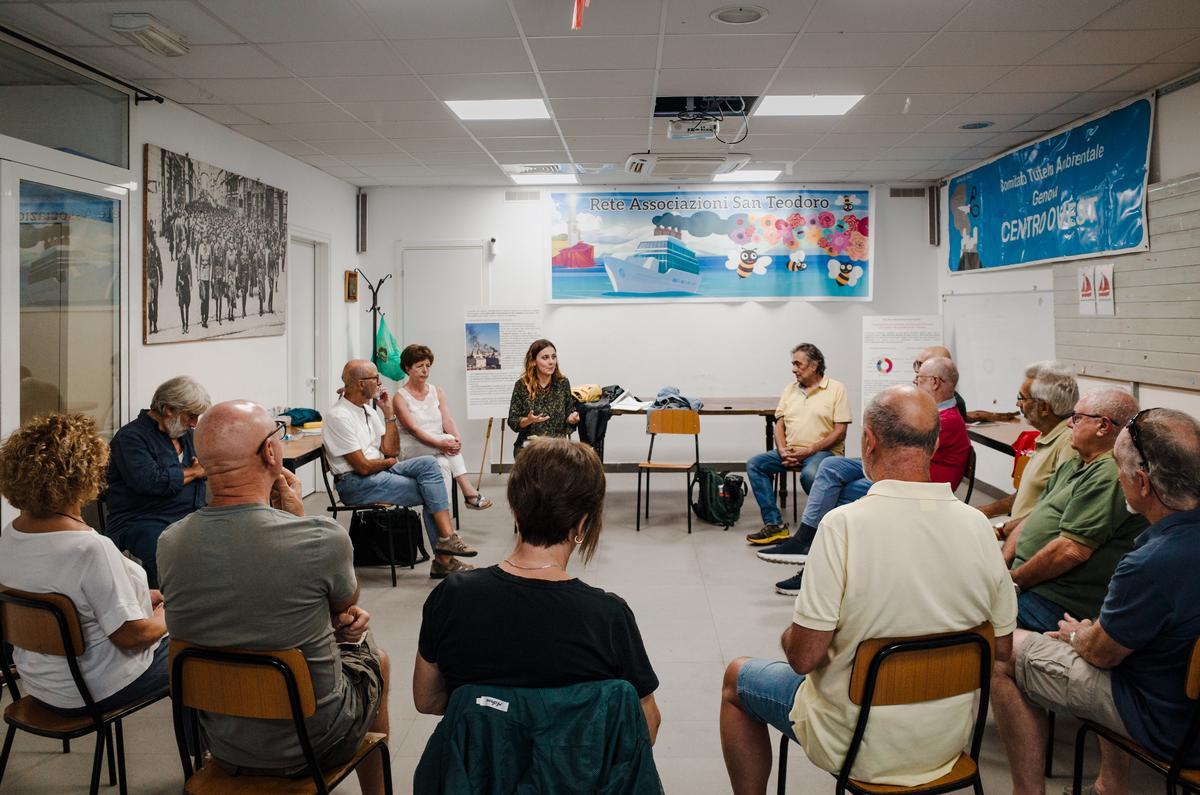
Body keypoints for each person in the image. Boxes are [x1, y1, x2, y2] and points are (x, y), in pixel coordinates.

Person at [720, 386, 1016, 793]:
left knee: (736, 678)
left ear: (868, 441)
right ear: (934, 446)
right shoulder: (979, 527)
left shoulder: (843, 526)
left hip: (858, 745)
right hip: (947, 745)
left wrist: (790, 635)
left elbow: (803, 659)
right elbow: (1003, 648)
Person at [157, 401, 391, 794]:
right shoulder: (320, 537)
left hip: (224, 741)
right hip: (314, 741)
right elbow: (345, 605)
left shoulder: (170, 542)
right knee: (375, 657)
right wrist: (297, 519)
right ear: (270, 451)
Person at [991, 408, 1200, 795]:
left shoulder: (1149, 563)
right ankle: (1109, 785)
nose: (1117, 477)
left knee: (1002, 650)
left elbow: (1102, 655)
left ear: (1142, 482)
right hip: (1179, 699)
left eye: (1120, 469)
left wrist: (1079, 636)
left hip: (1165, 724)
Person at [413, 437, 661, 741]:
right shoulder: (608, 616)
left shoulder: (452, 596)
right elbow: (647, 728)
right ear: (582, 525)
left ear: (516, 512)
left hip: (478, 765)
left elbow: (427, 700)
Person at [0, 413, 168, 717]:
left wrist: (142, 597)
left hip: (40, 684)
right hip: (93, 690)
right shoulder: (89, 548)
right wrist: (169, 615)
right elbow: (132, 637)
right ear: (84, 474)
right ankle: (209, 745)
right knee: (194, 649)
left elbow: (72, 599)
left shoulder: (10, 536)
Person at [760, 357, 973, 594]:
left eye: (919, 378)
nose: (914, 382)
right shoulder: (933, 414)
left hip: (917, 484)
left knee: (836, 493)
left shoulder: (943, 420)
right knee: (830, 466)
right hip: (899, 468)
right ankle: (805, 539)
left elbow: (897, 448)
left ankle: (818, 570)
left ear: (935, 382)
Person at [1006, 388, 1146, 632]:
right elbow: (1034, 516)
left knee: (967, 618)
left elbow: (1071, 551)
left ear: (1103, 426)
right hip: (1028, 581)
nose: (1069, 424)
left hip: (1055, 600)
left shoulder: (1110, 473)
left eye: (1077, 418)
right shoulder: (1075, 463)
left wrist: (1013, 582)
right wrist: (1003, 565)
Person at [325, 359, 477, 579]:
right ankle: (445, 555)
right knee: (430, 490)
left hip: (378, 471)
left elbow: (391, 450)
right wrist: (388, 463)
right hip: (356, 483)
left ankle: (446, 543)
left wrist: (388, 414)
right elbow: (363, 467)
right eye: (376, 378)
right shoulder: (339, 416)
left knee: (430, 464)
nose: (380, 382)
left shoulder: (367, 410)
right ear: (360, 383)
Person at [105, 375, 210, 587]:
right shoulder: (130, 438)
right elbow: (151, 482)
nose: (194, 423)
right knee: (171, 554)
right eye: (190, 416)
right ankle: (171, 603)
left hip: (190, 516)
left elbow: (208, 468)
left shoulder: (188, 436)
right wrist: (195, 472)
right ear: (169, 409)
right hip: (143, 520)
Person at [745, 343, 851, 546]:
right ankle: (775, 525)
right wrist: (782, 450)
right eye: (793, 364)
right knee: (755, 464)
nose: (793, 369)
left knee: (809, 475)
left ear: (814, 365)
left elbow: (840, 432)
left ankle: (827, 526)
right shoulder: (790, 390)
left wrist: (809, 450)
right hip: (792, 451)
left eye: (797, 364)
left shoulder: (836, 389)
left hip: (823, 452)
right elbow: (779, 424)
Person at [979, 361, 1080, 536]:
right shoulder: (1047, 435)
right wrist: (985, 511)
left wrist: (1002, 531)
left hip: (1029, 539)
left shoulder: (1069, 443)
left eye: (1022, 398)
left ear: (1043, 408)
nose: (1018, 405)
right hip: (1017, 532)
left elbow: (1056, 510)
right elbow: (1028, 494)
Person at [393, 344, 492, 511]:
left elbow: (447, 419)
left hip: (437, 447)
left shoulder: (437, 391)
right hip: (410, 447)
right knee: (448, 440)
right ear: (407, 368)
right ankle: (469, 492)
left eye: (427, 366)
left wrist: (457, 437)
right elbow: (413, 430)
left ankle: (442, 515)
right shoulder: (399, 397)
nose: (425, 370)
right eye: (419, 366)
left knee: (444, 464)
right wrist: (442, 443)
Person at [506, 339, 579, 456]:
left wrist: (571, 418)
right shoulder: (522, 385)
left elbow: (569, 411)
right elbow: (513, 421)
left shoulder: (562, 383)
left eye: (553, 357)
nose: (551, 362)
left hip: (557, 447)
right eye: (545, 358)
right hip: (531, 447)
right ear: (533, 361)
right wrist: (529, 420)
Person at [175, 242, 192, 334]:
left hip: (186, 284)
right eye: (183, 245)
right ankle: (183, 325)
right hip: (181, 284)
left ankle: (187, 325)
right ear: (181, 247)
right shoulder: (179, 258)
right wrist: (176, 288)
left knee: (187, 305)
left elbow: (190, 270)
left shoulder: (188, 257)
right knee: (181, 305)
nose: (185, 247)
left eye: (186, 245)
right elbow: (177, 273)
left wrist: (191, 284)